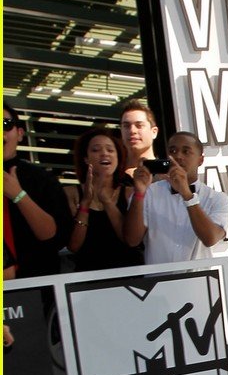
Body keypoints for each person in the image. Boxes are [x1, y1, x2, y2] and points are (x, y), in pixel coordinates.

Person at [123, 131, 228, 264]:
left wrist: (187, 195)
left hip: (199, 280)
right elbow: (132, 240)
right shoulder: (149, 193)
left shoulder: (217, 199)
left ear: (200, 160)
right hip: (158, 280)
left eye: (186, 151)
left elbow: (210, 238)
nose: (178, 156)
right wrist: (139, 193)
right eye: (173, 151)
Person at [3, 103, 71, 277]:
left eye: (5, 124)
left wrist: (18, 195)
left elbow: (54, 237)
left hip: (36, 287)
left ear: (19, 133)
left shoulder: (41, 178)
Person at [65, 128, 144, 271]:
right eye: (96, 150)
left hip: (130, 276)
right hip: (88, 279)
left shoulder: (130, 193)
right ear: (85, 158)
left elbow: (131, 241)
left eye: (110, 150)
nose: (104, 154)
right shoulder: (71, 193)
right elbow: (73, 246)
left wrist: (107, 202)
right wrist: (85, 205)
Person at [119, 99, 159, 178]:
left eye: (139, 126)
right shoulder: (112, 175)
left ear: (154, 132)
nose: (132, 131)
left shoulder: (167, 175)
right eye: (126, 126)